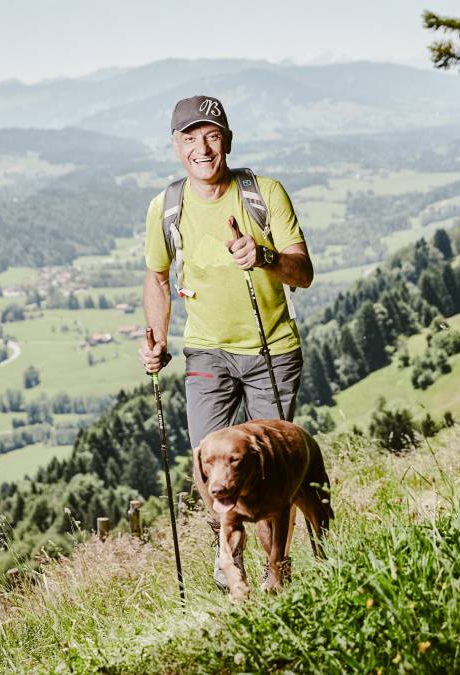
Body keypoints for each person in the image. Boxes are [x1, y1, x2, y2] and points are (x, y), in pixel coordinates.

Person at [138, 94, 313, 590]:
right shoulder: (167, 207)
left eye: (211, 135)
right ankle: (228, 569)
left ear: (227, 140)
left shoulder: (265, 193)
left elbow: (303, 273)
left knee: (274, 467)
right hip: (207, 353)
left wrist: (262, 255)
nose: (202, 148)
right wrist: (156, 341)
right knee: (210, 466)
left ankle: (277, 571)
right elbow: (157, 277)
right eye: (190, 138)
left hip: (270, 350)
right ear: (176, 146)